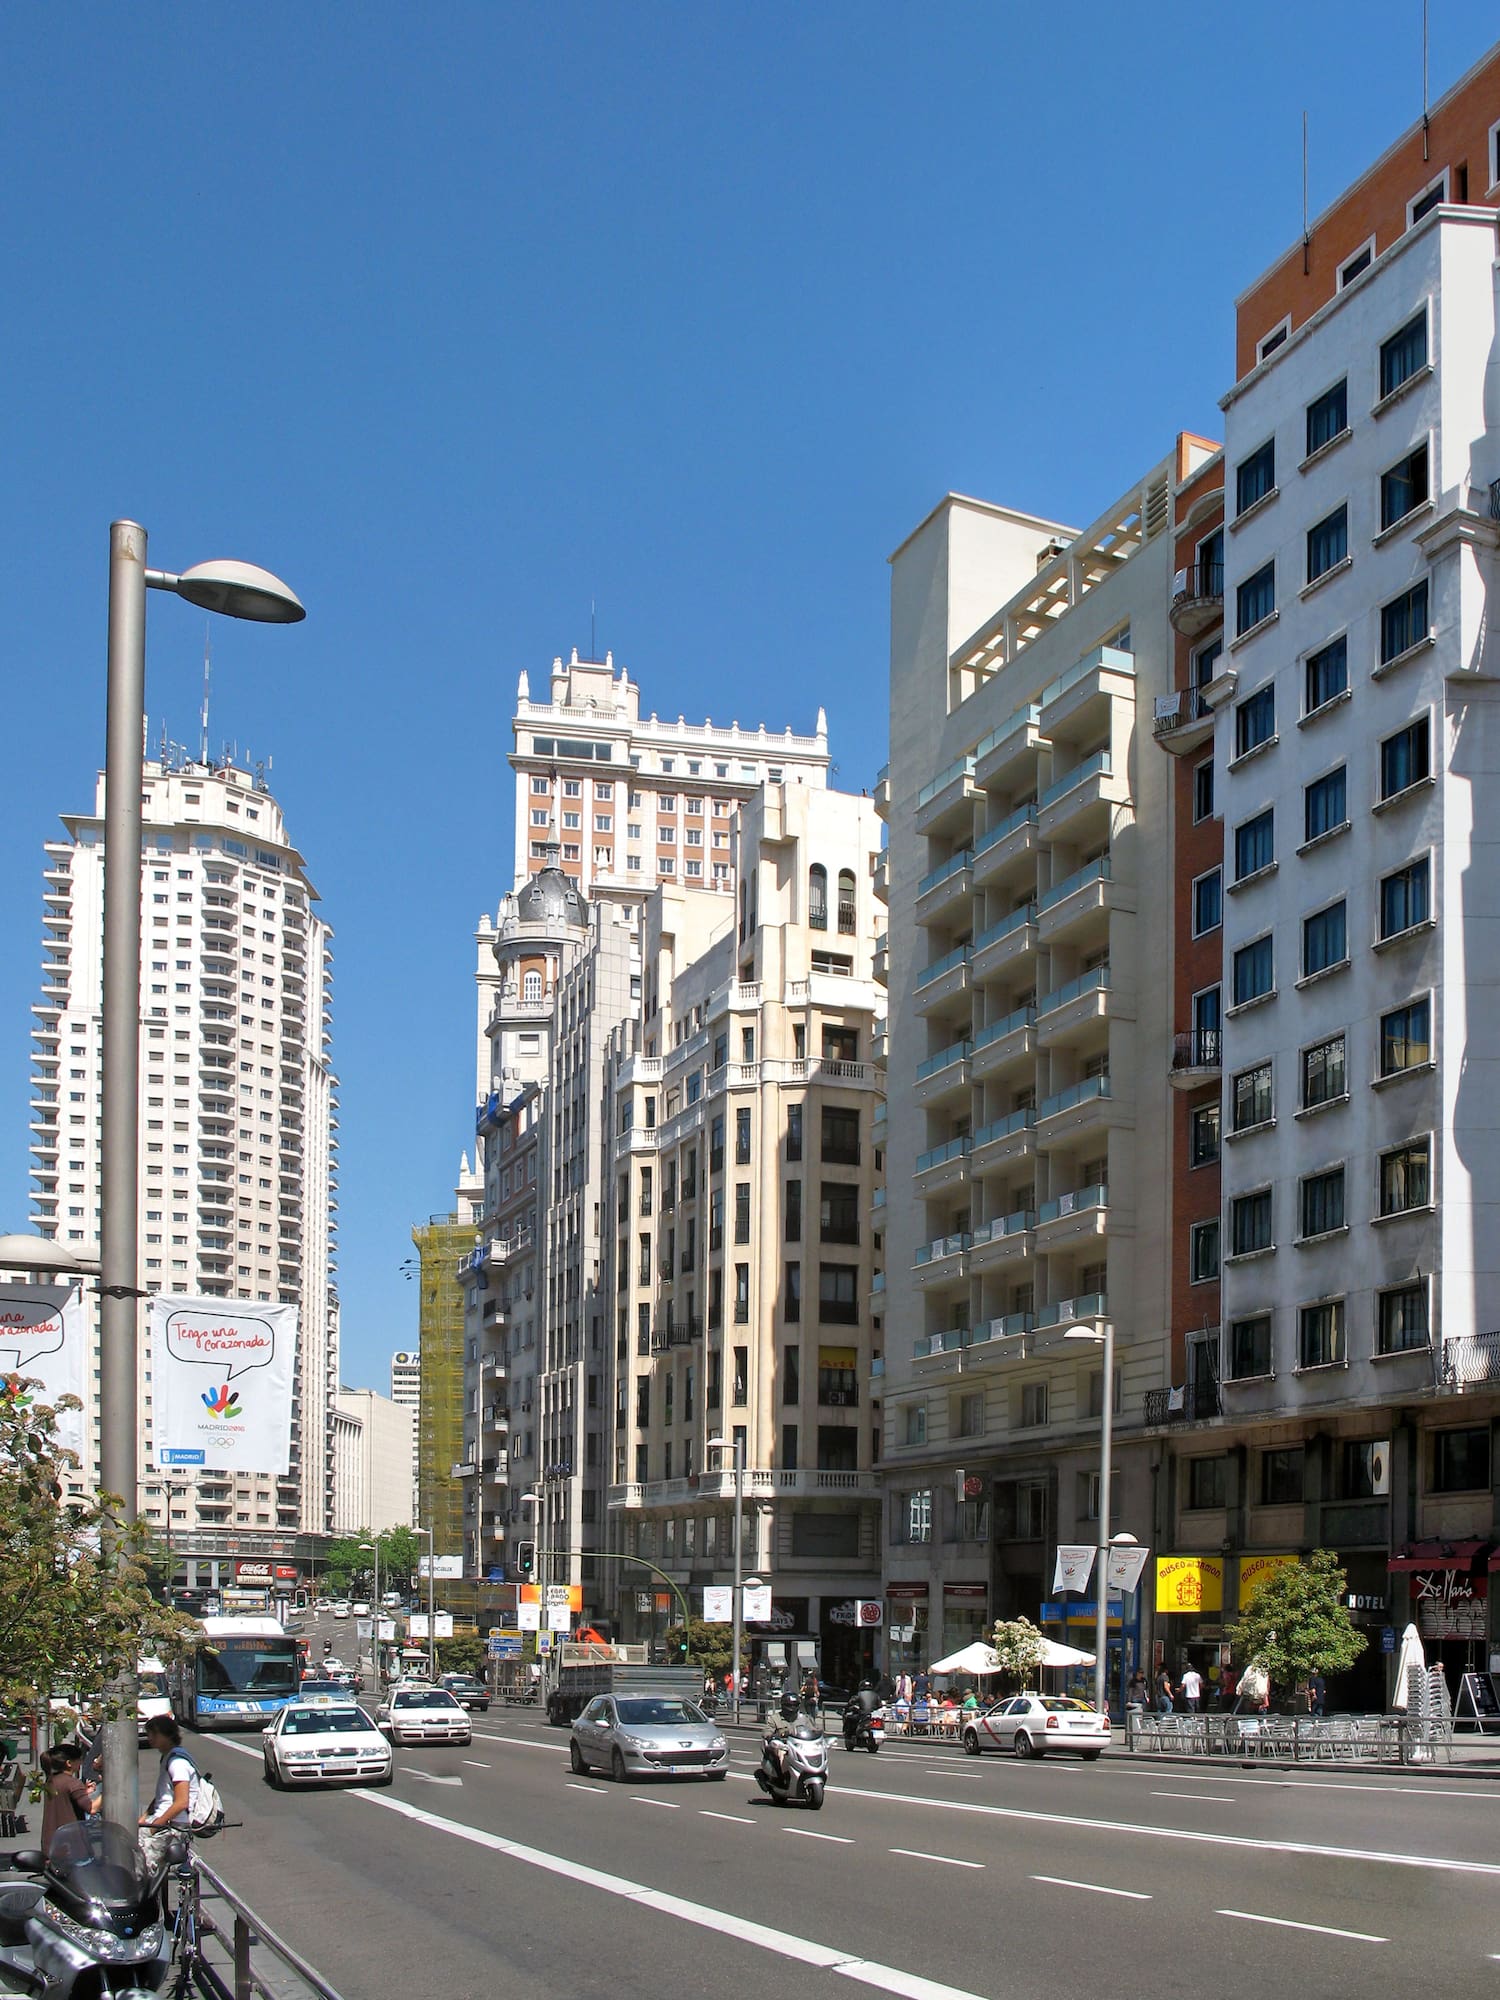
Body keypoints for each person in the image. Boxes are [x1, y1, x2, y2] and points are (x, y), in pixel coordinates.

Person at [138, 1716, 199, 1874]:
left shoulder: (177, 1762)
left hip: (173, 1824)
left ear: (168, 1735)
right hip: (162, 1820)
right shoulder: (168, 1757)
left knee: (141, 1866)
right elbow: (163, 1794)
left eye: (154, 1734)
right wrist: (145, 1816)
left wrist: (155, 1826)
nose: (150, 1738)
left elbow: (181, 1802)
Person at [40, 1743, 96, 1855]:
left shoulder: (51, 1781)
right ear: (69, 1763)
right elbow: (91, 1808)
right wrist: (109, 1791)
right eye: (79, 1759)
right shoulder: (72, 1783)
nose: (81, 1762)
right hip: (72, 1848)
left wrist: (83, 1792)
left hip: (51, 1845)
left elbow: (64, 1798)